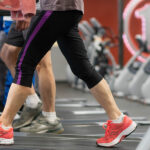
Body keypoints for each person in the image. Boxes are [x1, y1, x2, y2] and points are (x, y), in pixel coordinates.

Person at [0, 0, 137, 147]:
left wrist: (25, 12)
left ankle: (4, 127)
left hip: (55, 7)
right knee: (82, 68)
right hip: (72, 9)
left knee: (24, 65)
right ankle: (118, 120)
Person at [0, 5, 64, 133]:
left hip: (37, 9)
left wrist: (28, 11)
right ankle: (33, 101)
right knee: (8, 53)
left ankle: (50, 118)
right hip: (20, 9)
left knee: (42, 62)